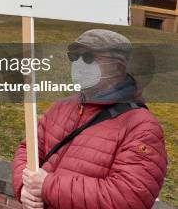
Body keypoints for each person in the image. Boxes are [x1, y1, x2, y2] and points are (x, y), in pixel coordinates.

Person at [12, 29, 167, 209]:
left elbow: (128, 197)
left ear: (118, 67)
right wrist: (24, 187)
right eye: (74, 57)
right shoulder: (61, 107)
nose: (78, 64)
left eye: (88, 58)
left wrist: (47, 186)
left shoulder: (141, 127)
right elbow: (28, 148)